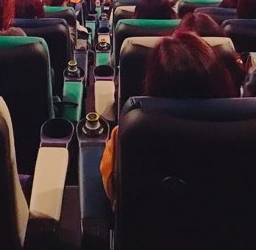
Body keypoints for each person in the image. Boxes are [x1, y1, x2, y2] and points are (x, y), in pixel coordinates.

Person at [99, 32, 238, 200]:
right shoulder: (252, 129)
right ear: (222, 78)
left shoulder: (130, 131)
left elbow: (112, 190)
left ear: (153, 82)